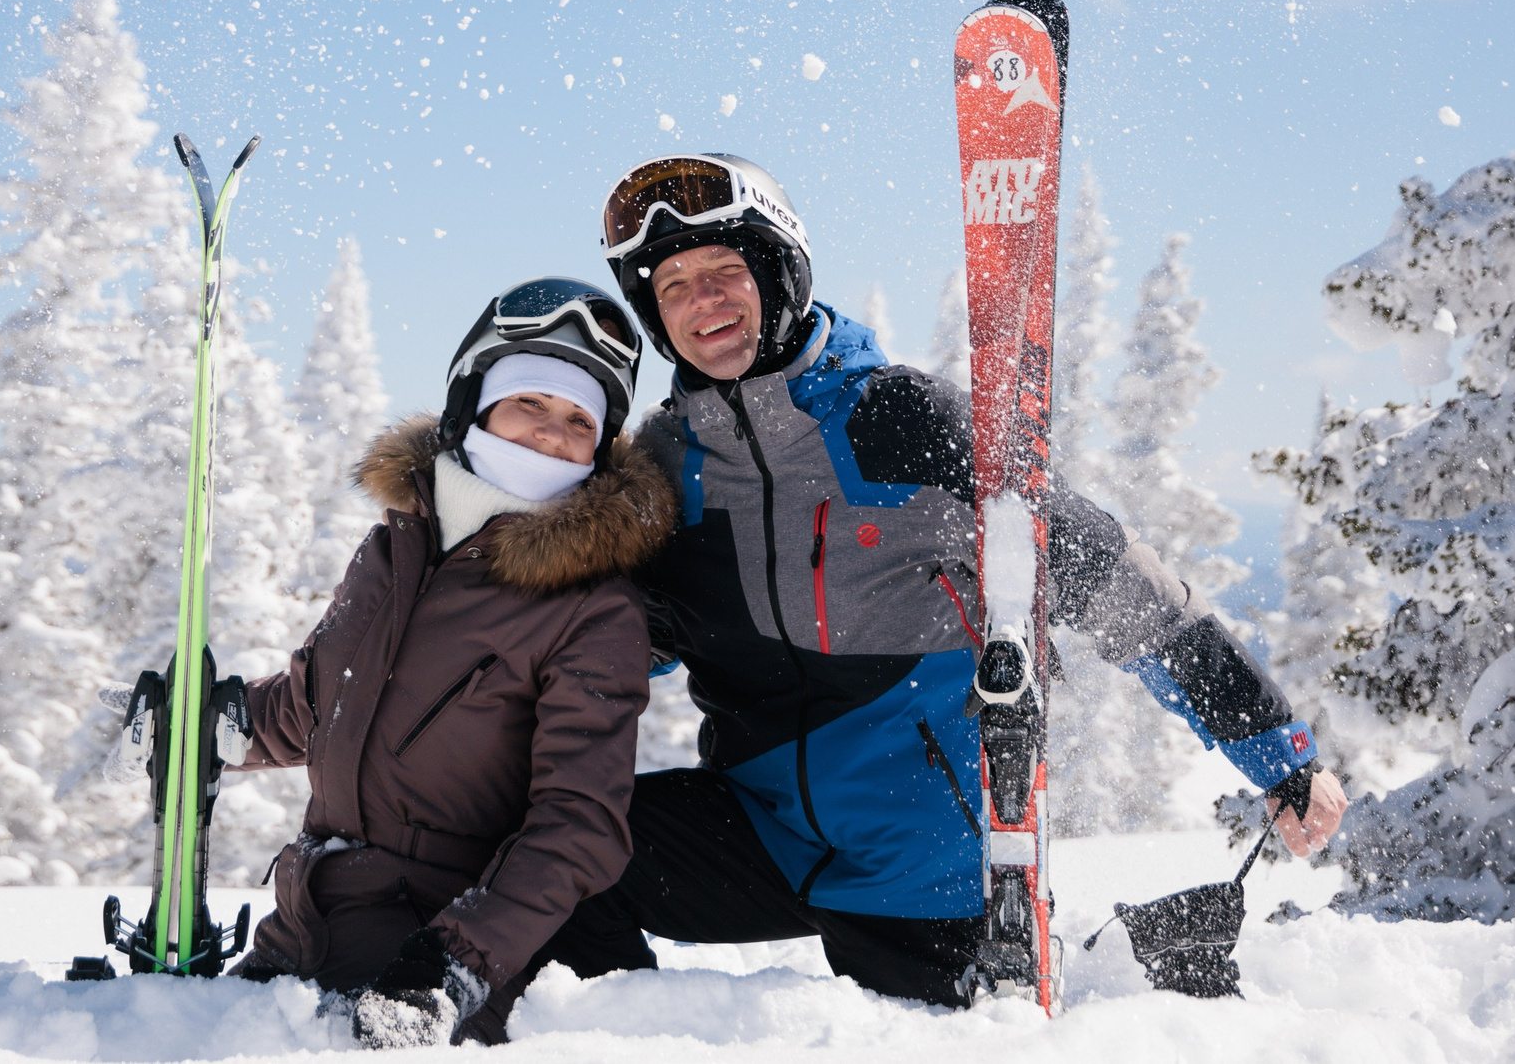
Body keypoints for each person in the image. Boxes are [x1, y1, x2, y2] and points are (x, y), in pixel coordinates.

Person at [529, 153, 1349, 1008]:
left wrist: (1279, 753)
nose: (705, 301)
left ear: (779, 274)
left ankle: (1079, 967)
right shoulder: (665, 467)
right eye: (674, 284)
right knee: (547, 858)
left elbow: (1120, 586)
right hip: (761, 828)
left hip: (922, 862)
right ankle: (608, 1032)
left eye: (727, 271)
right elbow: (603, 645)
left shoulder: (904, 422)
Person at [228, 278, 676, 1046]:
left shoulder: (592, 609)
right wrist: (214, 725)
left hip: (431, 944)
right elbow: (315, 705)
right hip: (302, 928)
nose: (550, 431)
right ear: (474, 403)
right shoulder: (393, 548)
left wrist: (455, 960)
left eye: (578, 419)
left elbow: (580, 822)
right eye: (530, 401)